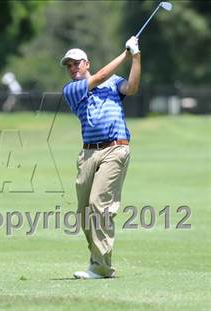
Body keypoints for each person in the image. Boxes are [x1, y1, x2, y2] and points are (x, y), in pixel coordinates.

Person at [61, 36, 141, 279]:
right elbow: (100, 77)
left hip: (115, 149)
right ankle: (98, 259)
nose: (73, 68)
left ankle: (100, 266)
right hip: (87, 154)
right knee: (84, 211)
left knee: (99, 204)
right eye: (69, 65)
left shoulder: (114, 82)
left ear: (87, 63)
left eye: (76, 63)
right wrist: (125, 55)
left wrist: (136, 57)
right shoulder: (72, 89)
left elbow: (132, 88)